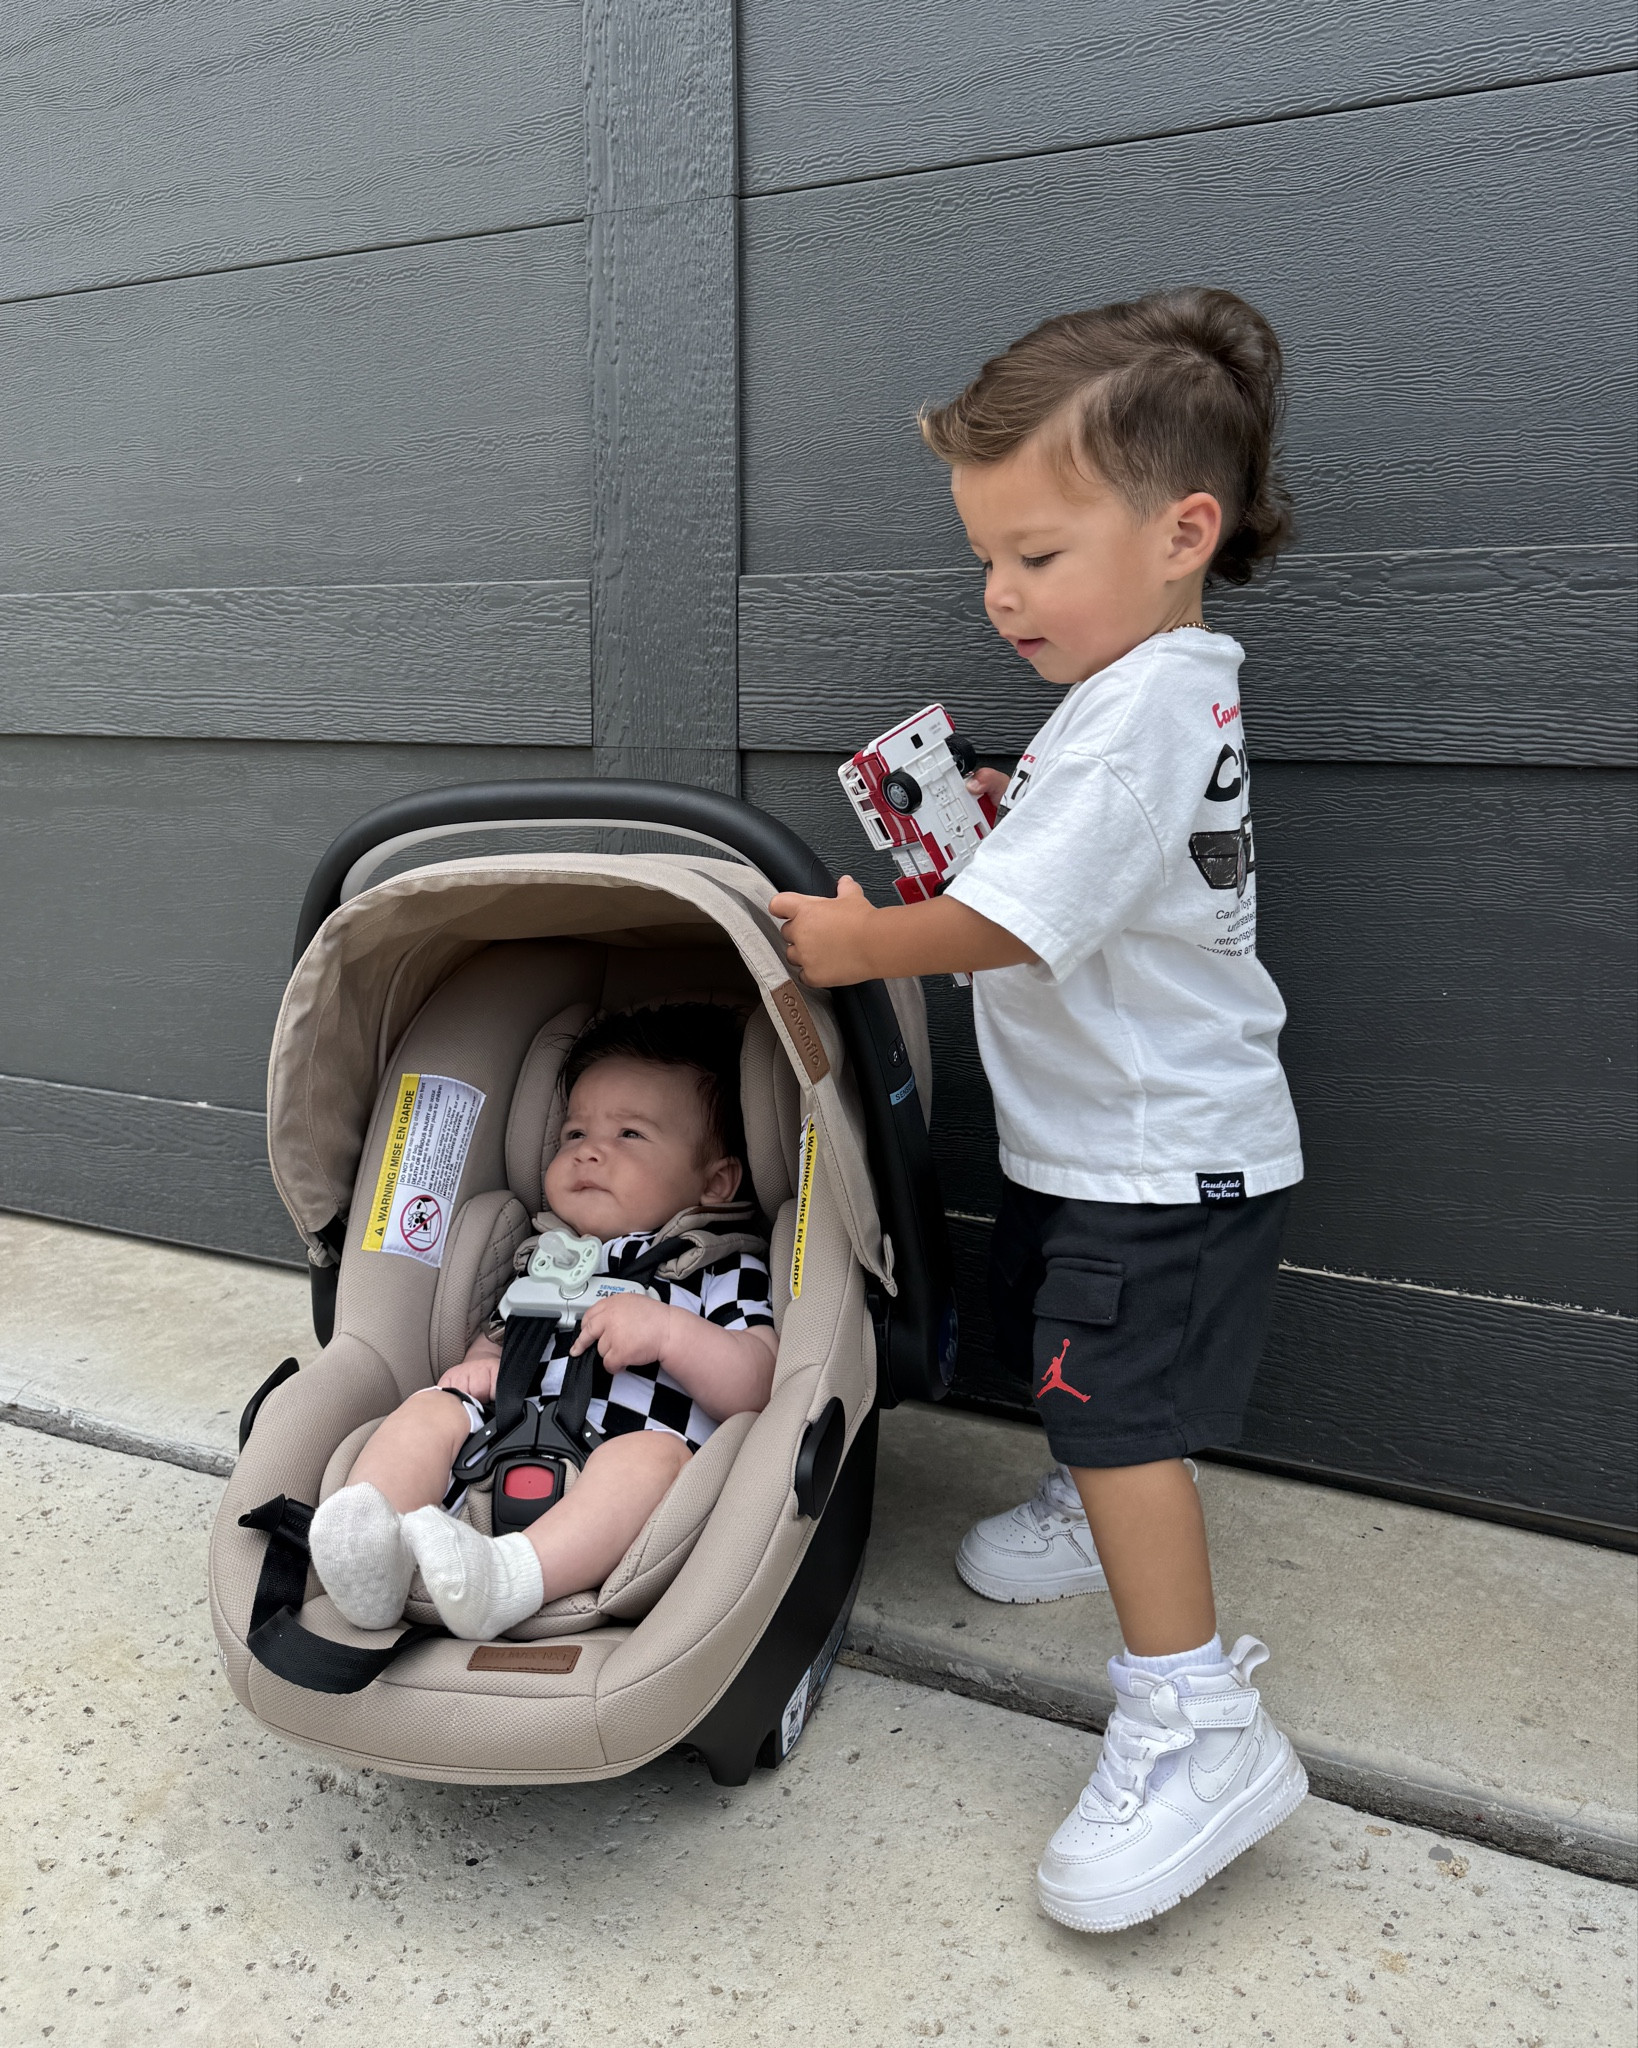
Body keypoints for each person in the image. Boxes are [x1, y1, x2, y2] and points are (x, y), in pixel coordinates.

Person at [770, 288, 1308, 1933]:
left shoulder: (1138, 707)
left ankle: (1195, 1718)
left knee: (1115, 1395)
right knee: (1075, 1356)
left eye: (1036, 553)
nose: (1001, 593)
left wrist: (862, 942)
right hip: (1126, 1141)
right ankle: (1089, 1503)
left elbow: (1009, 922)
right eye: (985, 558)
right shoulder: (1147, 689)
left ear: (1177, 530)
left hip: (1159, 1160)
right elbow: (1090, 850)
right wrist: (1015, 805)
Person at [307, 1005, 777, 1643]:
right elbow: (500, 1338)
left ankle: (508, 1580)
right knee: (428, 1410)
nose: (589, 1154)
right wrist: (477, 1365)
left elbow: (760, 1382)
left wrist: (670, 1333)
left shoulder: (719, 1267)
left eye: (630, 1136)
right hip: (497, 1445)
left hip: (622, 1465)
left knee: (651, 1459)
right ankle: (374, 1550)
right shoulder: (545, 1257)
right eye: (574, 1135)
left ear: (716, 1181)